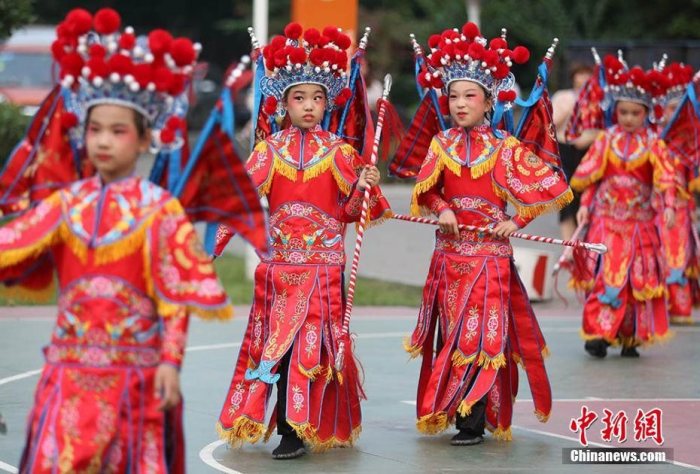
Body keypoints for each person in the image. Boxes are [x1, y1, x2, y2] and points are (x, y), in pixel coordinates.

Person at [0, 9, 236, 472]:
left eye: (118, 130)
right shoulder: (66, 203)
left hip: (136, 380)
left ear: (147, 138)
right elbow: (12, 241)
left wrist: (170, 361)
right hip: (67, 375)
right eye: (94, 129)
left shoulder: (159, 210)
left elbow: (175, 296)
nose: (103, 141)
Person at [215, 22, 391, 459]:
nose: (309, 106)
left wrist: (364, 187)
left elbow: (356, 214)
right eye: (299, 98)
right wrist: (208, 247)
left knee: (308, 349)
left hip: (323, 273)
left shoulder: (341, 152)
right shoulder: (267, 152)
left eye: (317, 98)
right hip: (279, 274)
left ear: (327, 102)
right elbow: (237, 201)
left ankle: (294, 431)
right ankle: (288, 428)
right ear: (284, 103)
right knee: (276, 349)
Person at [404, 22, 572, 446]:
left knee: (482, 336)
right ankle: (457, 409)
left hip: (489, 261)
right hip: (449, 260)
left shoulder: (504, 148)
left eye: (469, 96)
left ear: (489, 100)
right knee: (454, 333)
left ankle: (472, 419)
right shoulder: (440, 143)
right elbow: (427, 191)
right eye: (454, 96)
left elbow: (550, 188)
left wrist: (515, 221)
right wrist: (441, 208)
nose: (460, 104)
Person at [571, 54, 676, 358]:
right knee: (606, 277)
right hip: (606, 222)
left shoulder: (655, 144)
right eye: (623, 112)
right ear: (615, 111)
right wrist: (586, 205)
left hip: (639, 224)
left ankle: (629, 337)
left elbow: (666, 178)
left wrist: (668, 205)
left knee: (635, 280)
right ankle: (598, 334)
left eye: (635, 113)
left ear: (646, 113)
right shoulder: (606, 139)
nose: (628, 118)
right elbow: (592, 177)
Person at [656, 62, 699, 325]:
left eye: (678, 109)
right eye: (670, 108)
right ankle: (656, 305)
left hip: (680, 206)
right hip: (652, 206)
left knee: (678, 254)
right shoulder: (652, 138)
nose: (673, 114)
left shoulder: (688, 141)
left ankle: (679, 307)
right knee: (654, 254)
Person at [552, 63, 594, 240]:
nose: (583, 78)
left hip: (588, 152)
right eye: (580, 73)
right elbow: (550, 123)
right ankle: (567, 245)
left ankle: (584, 240)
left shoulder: (597, 99)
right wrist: (570, 107)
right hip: (565, 150)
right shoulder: (564, 96)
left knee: (586, 197)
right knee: (566, 199)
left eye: (587, 74)